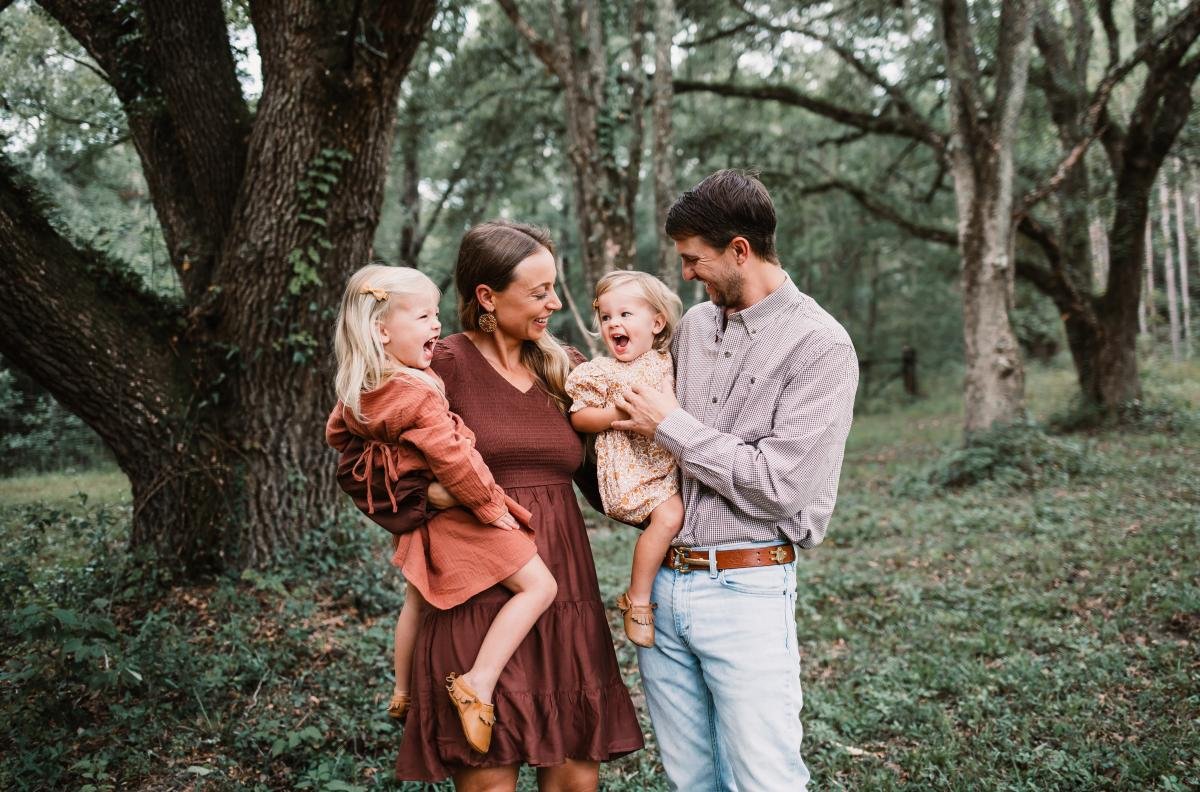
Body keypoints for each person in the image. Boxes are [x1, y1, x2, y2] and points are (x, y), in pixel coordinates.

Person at [613, 170, 859, 791]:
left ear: (740, 250)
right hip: (662, 588)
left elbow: (780, 485)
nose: (686, 273)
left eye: (695, 259)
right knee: (690, 779)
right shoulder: (696, 327)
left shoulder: (819, 344)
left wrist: (671, 426)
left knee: (763, 777)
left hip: (745, 587)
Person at [393, 221, 643, 790]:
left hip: (564, 592)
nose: (554, 303)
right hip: (478, 591)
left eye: (553, 288)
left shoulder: (565, 367)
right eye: (539, 292)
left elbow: (609, 478)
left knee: (575, 777)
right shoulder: (439, 367)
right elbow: (366, 465)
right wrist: (428, 495)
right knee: (489, 777)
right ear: (487, 296)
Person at [324, 264, 558, 755]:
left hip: (421, 520)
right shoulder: (416, 391)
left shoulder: (360, 388)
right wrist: (490, 507)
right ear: (382, 330)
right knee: (540, 586)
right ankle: (479, 680)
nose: (437, 324)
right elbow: (454, 459)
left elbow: (337, 435)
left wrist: (387, 453)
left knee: (417, 600)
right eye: (423, 317)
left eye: (436, 314)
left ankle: (402, 690)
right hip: (459, 514)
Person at [564, 271, 684, 647]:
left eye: (625, 314)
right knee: (670, 516)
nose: (613, 323)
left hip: (665, 461)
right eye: (606, 317)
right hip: (630, 468)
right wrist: (617, 413)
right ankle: (638, 599)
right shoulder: (600, 372)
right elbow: (579, 418)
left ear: (657, 323)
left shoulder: (666, 362)